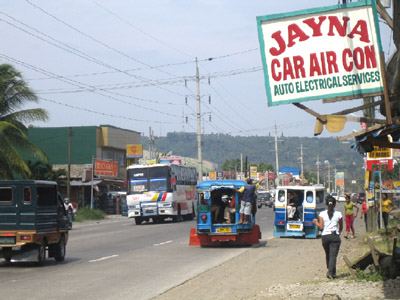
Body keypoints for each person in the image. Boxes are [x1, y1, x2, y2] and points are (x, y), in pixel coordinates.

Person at [313, 196, 343, 279]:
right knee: (333, 255)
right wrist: (338, 233)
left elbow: (321, 227)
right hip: (334, 236)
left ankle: (331, 271)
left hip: (325, 237)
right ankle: (330, 272)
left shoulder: (322, 214)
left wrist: (316, 222)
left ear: (326, 204)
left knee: (328, 254)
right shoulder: (339, 214)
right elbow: (341, 226)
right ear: (335, 205)